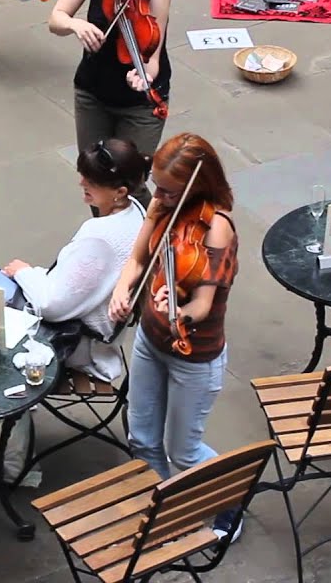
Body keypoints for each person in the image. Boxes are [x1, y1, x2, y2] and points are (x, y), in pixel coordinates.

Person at [107, 132, 240, 540]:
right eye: (158, 186)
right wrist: (122, 288)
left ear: (196, 185)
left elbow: (202, 305)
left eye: (168, 190)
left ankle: (231, 502)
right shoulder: (163, 204)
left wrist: (177, 310)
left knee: (184, 450)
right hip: (151, 340)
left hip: (194, 355)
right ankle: (164, 510)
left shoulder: (217, 229)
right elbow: (137, 258)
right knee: (143, 439)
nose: (158, 196)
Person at [0, 138, 148, 380]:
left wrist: (24, 272)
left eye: (91, 181)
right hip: (74, 318)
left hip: (63, 333)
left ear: (120, 192)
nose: (81, 182)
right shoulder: (136, 211)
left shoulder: (101, 238)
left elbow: (51, 305)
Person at [48, 0, 172, 208]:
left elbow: (153, 60)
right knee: (95, 181)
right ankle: (104, 243)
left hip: (139, 106)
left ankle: (143, 245)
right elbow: (56, 19)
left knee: (128, 186)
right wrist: (76, 25)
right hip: (92, 92)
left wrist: (143, 75)